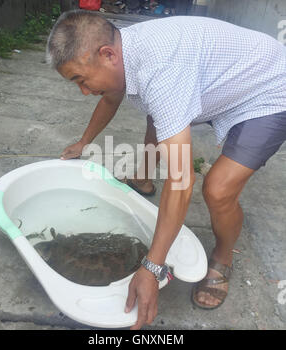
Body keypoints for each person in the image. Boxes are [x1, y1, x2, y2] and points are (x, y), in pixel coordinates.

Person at [46, 10, 286, 329]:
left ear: (107, 55)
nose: (84, 91)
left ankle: (223, 257)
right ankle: (142, 179)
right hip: (222, 80)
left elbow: (181, 179)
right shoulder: (123, 50)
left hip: (269, 89)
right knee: (159, 115)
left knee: (217, 190)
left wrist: (152, 267)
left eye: (81, 80)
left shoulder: (161, 71)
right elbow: (110, 97)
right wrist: (83, 142)